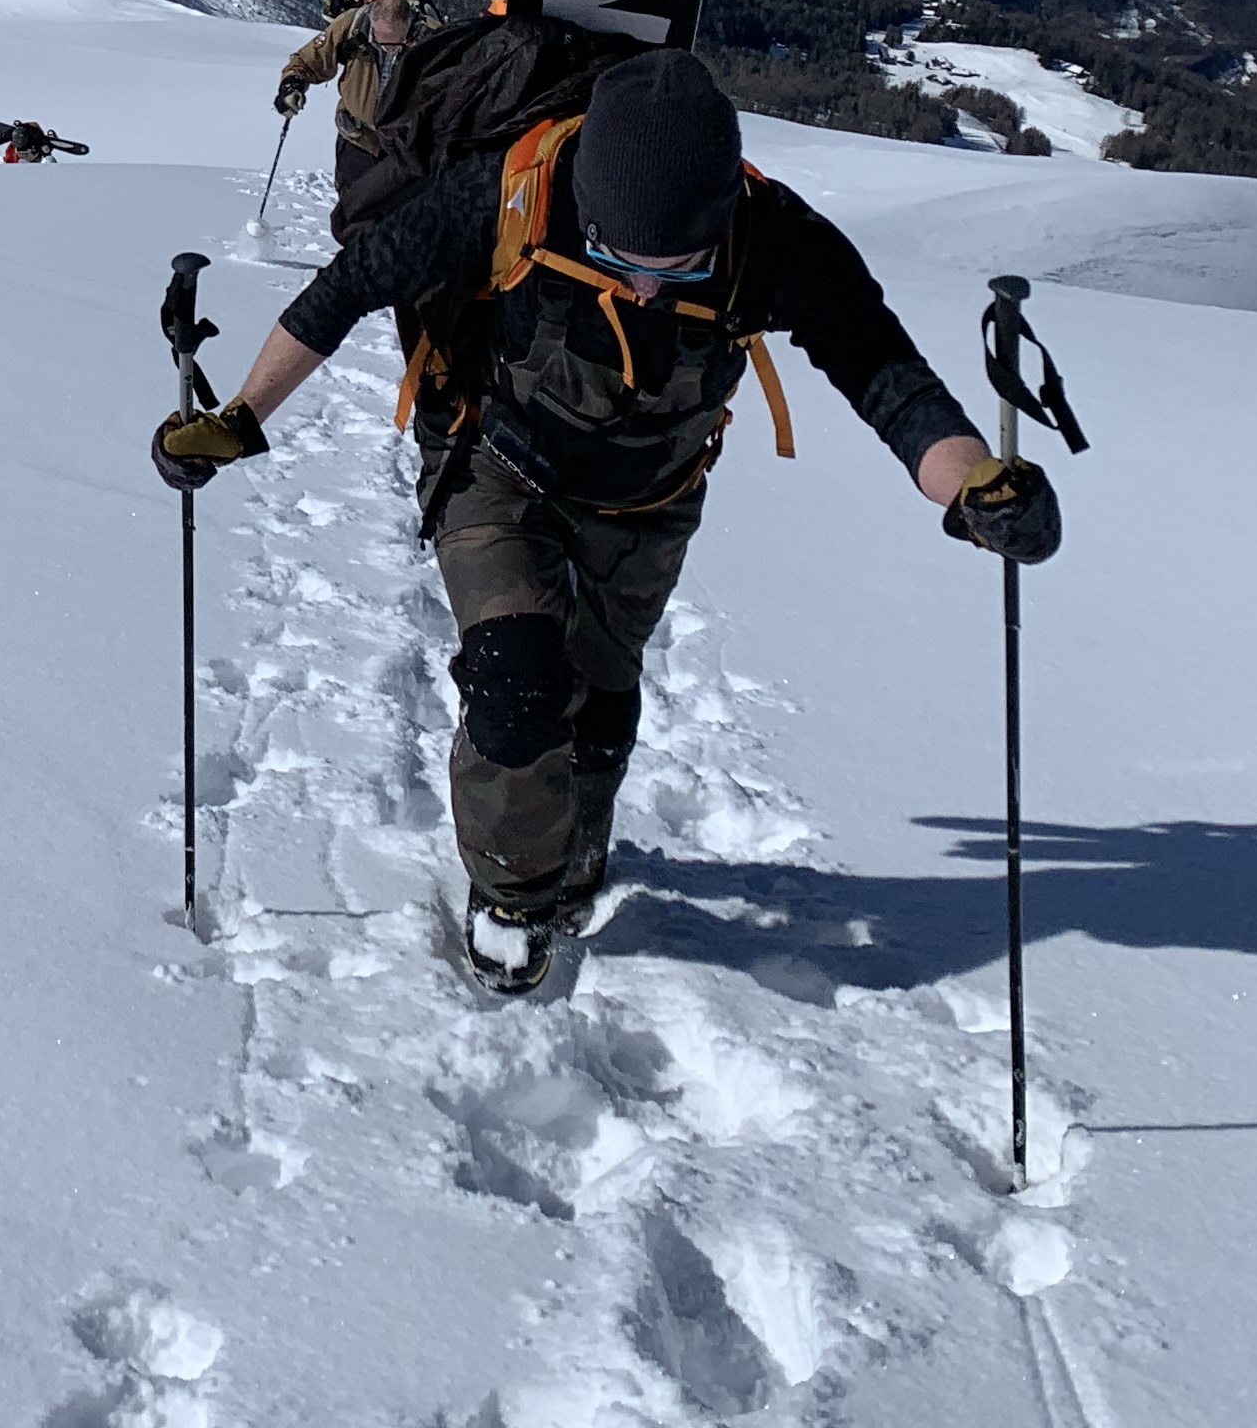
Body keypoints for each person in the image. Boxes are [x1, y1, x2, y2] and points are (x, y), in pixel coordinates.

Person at [154, 48, 1063, 991]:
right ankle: (512, 894)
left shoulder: (776, 238)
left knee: (601, 692)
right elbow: (344, 291)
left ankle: (575, 854)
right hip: (496, 466)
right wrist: (239, 420)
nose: (647, 289)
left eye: (678, 266)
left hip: (650, 498)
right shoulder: (505, 194)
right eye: (619, 259)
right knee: (516, 679)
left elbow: (883, 372)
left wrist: (972, 487)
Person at [272, 0, 439, 240]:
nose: (388, 49)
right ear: (371, 22)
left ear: (410, 25)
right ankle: (357, 258)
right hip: (359, 139)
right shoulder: (352, 26)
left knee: (403, 218)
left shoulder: (433, 37)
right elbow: (307, 60)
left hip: (405, 145)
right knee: (353, 214)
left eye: (397, 43)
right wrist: (292, 86)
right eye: (381, 41)